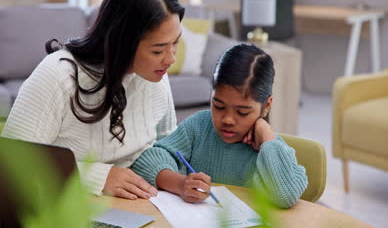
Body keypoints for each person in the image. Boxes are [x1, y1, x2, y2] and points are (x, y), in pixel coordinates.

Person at [1, 0, 184, 200]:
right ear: (122, 42)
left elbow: (166, 143)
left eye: (175, 43)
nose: (170, 59)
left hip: (133, 207)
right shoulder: (58, 76)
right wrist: (97, 176)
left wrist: (177, 178)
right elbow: (11, 166)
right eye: (158, 50)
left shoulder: (155, 75)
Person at [131, 44, 308, 209]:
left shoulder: (271, 148)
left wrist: (267, 137)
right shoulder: (200, 125)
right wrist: (180, 183)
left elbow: (286, 195)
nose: (228, 120)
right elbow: (146, 160)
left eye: (242, 112)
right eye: (219, 106)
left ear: (266, 106)